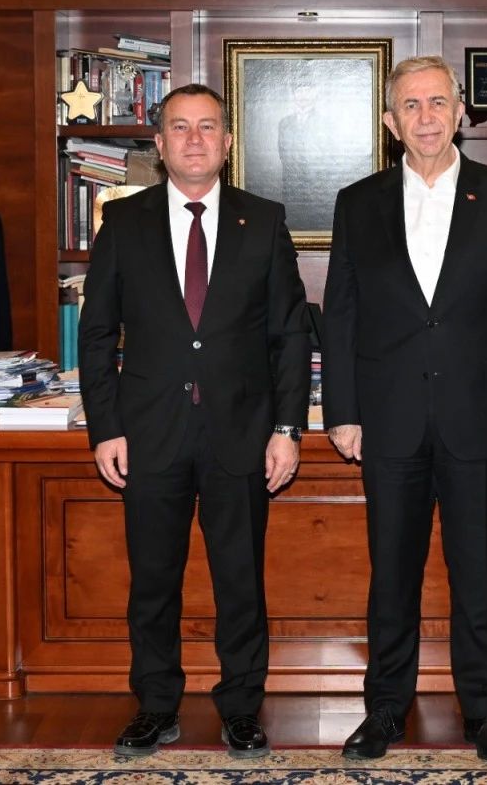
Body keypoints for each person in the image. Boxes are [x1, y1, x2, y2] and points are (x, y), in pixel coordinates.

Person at [321, 56, 487, 764]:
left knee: (475, 572)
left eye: (438, 102)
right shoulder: (357, 203)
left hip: (479, 414)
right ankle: (384, 710)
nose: (426, 117)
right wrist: (342, 412)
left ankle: (484, 712)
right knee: (391, 574)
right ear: (391, 123)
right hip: (387, 416)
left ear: (460, 112)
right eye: (411, 105)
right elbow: (341, 315)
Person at [78, 84, 311, 760]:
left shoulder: (262, 221)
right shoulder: (123, 222)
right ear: (159, 144)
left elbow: (290, 335)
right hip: (149, 434)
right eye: (180, 127)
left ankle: (241, 706)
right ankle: (156, 705)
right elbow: (97, 335)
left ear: (227, 142)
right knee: (154, 580)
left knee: (240, 579)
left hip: (243, 432)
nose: (194, 139)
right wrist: (106, 427)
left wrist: (287, 429)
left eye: (208, 127)